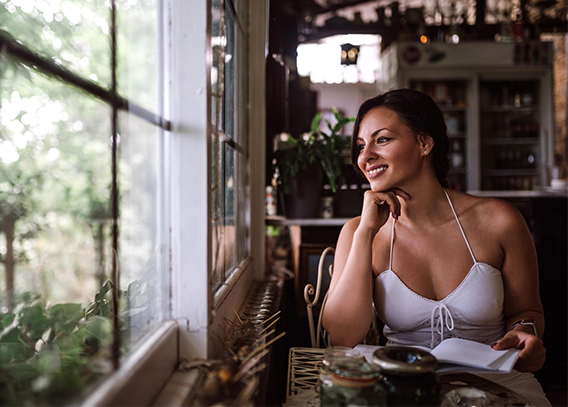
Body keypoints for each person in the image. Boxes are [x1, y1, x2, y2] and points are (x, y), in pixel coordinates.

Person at [322, 88, 550, 406]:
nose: (365, 156)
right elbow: (343, 338)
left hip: (497, 388)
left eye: (382, 140)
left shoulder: (500, 221)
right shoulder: (359, 232)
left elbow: (527, 312)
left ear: (424, 143)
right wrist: (365, 233)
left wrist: (527, 333)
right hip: (404, 390)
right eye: (361, 146)